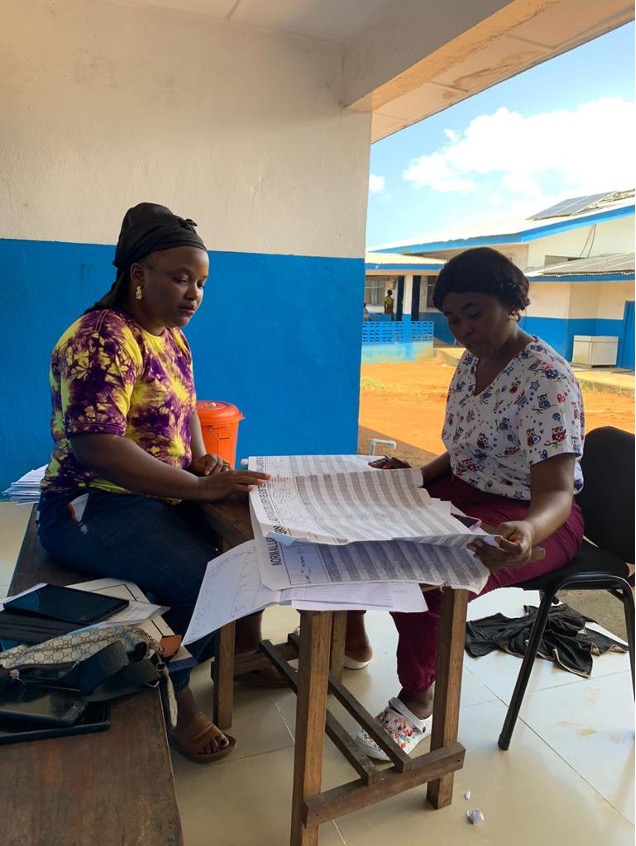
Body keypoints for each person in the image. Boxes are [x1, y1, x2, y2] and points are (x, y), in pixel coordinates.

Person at [37, 202, 271, 765]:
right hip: (90, 503)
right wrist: (200, 489)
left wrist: (201, 461)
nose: (195, 294)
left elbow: (187, 407)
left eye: (202, 283)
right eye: (181, 278)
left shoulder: (170, 336)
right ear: (139, 275)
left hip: (161, 494)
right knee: (201, 581)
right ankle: (176, 696)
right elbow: (98, 446)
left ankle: (241, 653)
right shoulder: (102, 337)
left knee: (252, 548)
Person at [354, 247, 585, 760]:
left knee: (436, 576)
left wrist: (528, 531)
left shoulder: (546, 380)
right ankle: (350, 638)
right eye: (453, 318)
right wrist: (415, 478)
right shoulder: (474, 359)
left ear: (511, 303)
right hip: (467, 493)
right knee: (367, 524)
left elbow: (556, 493)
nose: (462, 329)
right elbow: (465, 452)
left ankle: (418, 697)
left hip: (532, 518)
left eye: (473, 313)